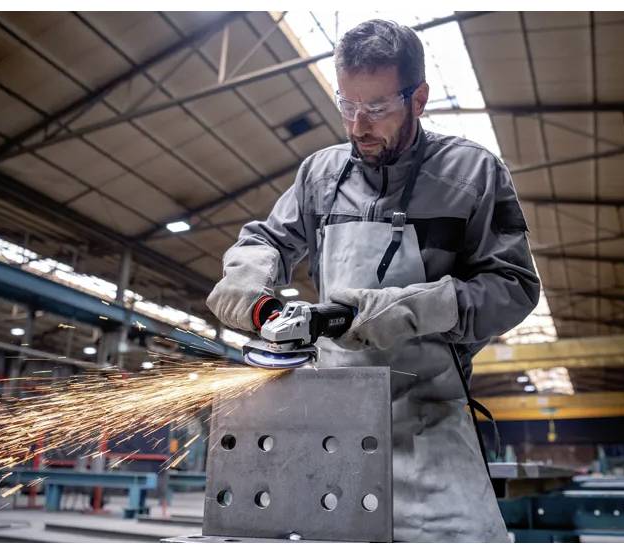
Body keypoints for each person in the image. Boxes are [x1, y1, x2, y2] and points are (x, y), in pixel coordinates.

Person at [206, 19, 540, 542]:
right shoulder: (320, 175)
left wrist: (402, 311)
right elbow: (264, 241)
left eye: (378, 108)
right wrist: (259, 303)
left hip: (430, 419)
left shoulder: (471, 173)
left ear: (419, 98)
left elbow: (514, 287)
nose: (358, 124)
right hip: (332, 422)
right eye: (346, 104)